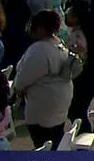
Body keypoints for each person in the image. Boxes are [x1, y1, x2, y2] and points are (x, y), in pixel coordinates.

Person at [13, 10, 75, 149]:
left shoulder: (39, 50)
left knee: (43, 143)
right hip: (60, 106)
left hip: (43, 110)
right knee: (55, 141)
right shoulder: (59, 44)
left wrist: (17, 89)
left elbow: (23, 78)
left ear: (40, 28)